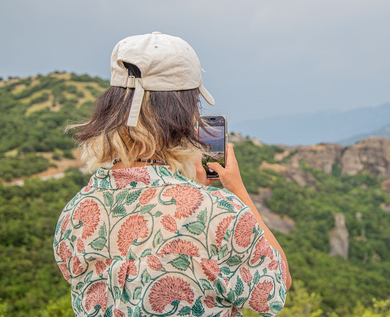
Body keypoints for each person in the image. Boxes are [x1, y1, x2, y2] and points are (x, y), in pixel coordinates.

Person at [53, 32, 291, 317]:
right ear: (184, 116)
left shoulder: (77, 212)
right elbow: (277, 288)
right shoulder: (216, 212)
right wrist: (236, 191)